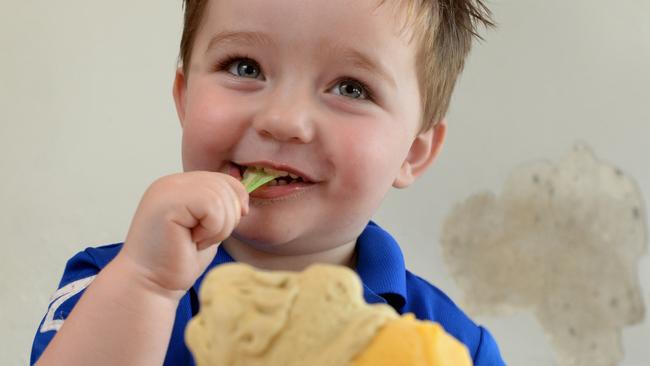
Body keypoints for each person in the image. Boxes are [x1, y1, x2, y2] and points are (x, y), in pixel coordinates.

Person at [32, 0, 505, 364]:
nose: (284, 120)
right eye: (245, 67)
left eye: (350, 88)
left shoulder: (454, 344)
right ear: (184, 98)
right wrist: (150, 285)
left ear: (413, 152)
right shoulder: (113, 285)